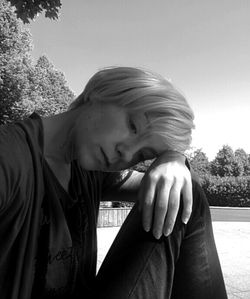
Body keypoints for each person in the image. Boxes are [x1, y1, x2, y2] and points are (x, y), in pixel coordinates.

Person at [0, 67, 227, 299]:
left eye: (144, 154)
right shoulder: (9, 158)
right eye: (133, 126)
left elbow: (182, 189)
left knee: (179, 193)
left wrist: (175, 159)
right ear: (102, 90)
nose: (127, 154)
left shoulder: (90, 171)